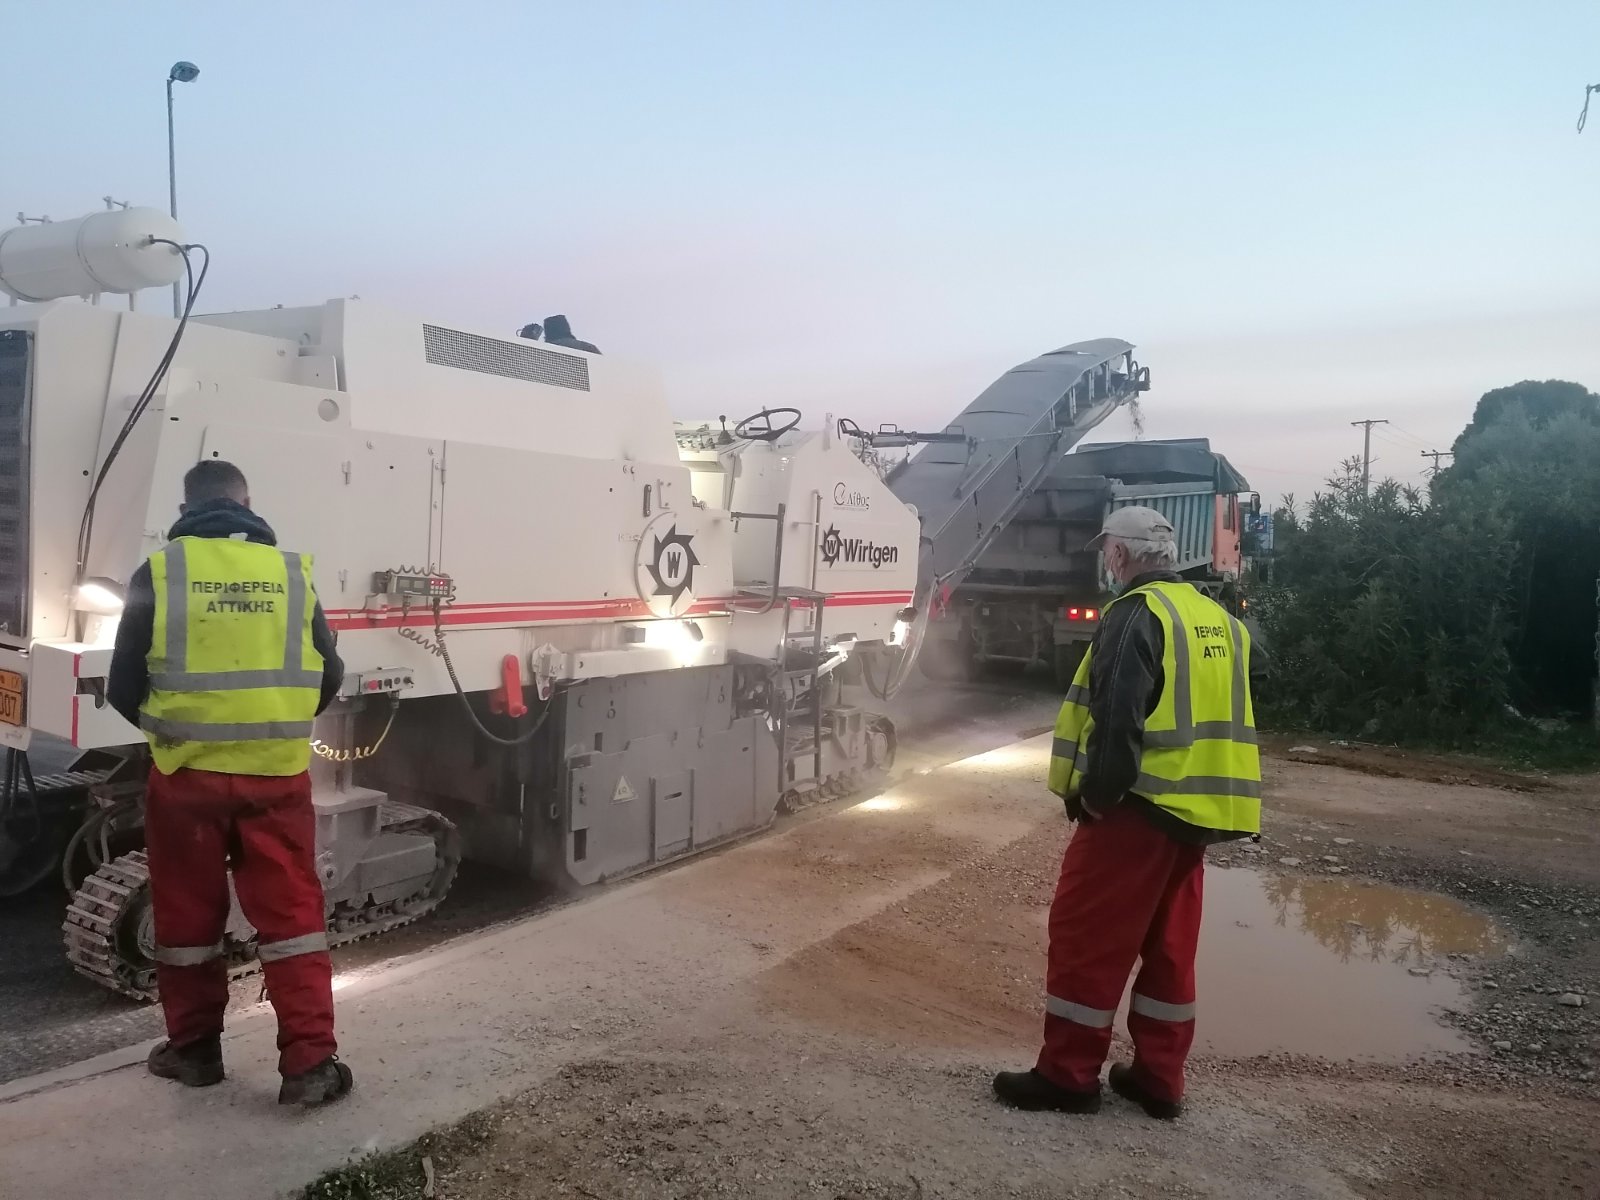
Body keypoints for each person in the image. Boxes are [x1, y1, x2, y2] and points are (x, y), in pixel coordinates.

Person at [993, 506, 1264, 1120]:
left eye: (1107, 552)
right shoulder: (1212, 616)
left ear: (1119, 556)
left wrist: (1096, 796)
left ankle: (1067, 1076)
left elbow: (1118, 719)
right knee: (1169, 948)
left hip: (1136, 808)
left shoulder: (1136, 615)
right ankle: (1159, 1080)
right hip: (1198, 812)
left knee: (1087, 938)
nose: (1106, 562)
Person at [106, 459, 352, 1106]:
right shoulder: (291, 575)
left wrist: (176, 735)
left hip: (184, 781)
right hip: (275, 779)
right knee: (292, 917)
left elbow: (123, 687)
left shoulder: (160, 573)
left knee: (186, 916)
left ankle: (194, 1053)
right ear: (247, 502)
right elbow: (329, 677)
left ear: (187, 509)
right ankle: (308, 1067)